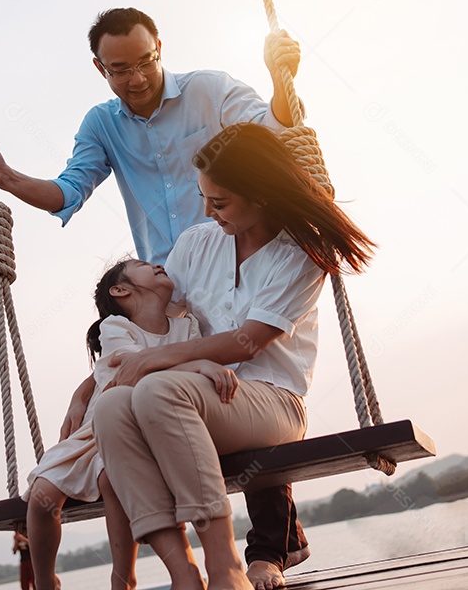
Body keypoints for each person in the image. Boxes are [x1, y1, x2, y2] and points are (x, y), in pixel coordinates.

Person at [0, 7, 309, 587]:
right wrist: (6, 177)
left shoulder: (210, 92)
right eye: (120, 68)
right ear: (100, 69)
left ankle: (267, 548)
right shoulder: (104, 126)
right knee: (146, 389)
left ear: (160, 49)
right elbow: (66, 192)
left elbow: (271, 136)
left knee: (233, 371)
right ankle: (185, 570)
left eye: (147, 61)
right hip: (176, 273)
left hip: (241, 243)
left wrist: (282, 85)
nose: (137, 77)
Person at [92, 123, 375, 590]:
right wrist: (93, 385)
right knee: (111, 406)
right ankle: (183, 572)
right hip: (193, 398)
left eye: (219, 202)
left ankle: (224, 566)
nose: (207, 210)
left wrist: (166, 363)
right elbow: (153, 320)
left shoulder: (301, 253)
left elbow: (248, 341)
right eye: (205, 197)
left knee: (159, 390)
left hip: (273, 402)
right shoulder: (197, 242)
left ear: (259, 195)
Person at [24, 257, 238, 590]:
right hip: (99, 428)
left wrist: (200, 362)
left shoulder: (188, 327)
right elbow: (138, 370)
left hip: (142, 432)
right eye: (141, 264)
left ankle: (122, 577)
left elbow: (167, 373)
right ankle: (45, 580)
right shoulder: (116, 329)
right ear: (120, 289)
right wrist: (201, 365)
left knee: (112, 479)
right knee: (42, 496)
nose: (155, 264)